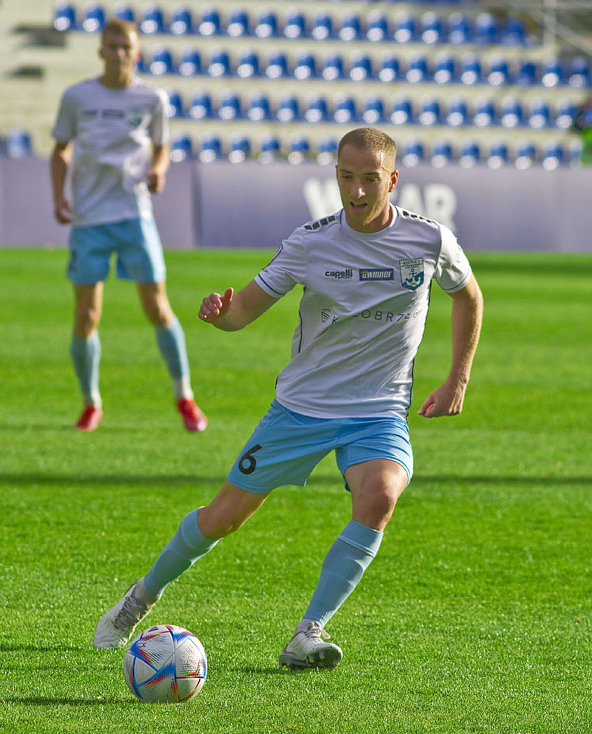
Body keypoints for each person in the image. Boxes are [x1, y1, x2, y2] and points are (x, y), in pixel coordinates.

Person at [92, 127, 484, 669]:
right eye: (347, 177)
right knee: (223, 518)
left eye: (371, 179)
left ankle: (308, 632)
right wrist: (220, 314)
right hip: (301, 409)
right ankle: (140, 598)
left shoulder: (429, 240)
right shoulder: (311, 242)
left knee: (380, 497)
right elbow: (245, 310)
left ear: (392, 179)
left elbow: (468, 296)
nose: (358, 190)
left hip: (378, 410)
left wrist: (456, 379)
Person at [50, 18, 207, 433]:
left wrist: (159, 170)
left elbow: (162, 147)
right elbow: (59, 151)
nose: (119, 53)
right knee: (86, 316)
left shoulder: (152, 99)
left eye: (127, 47)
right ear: (101, 51)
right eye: (112, 46)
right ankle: (91, 403)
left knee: (157, 308)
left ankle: (185, 397)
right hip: (89, 218)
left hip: (135, 215)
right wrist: (58, 196)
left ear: (136, 54)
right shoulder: (77, 97)